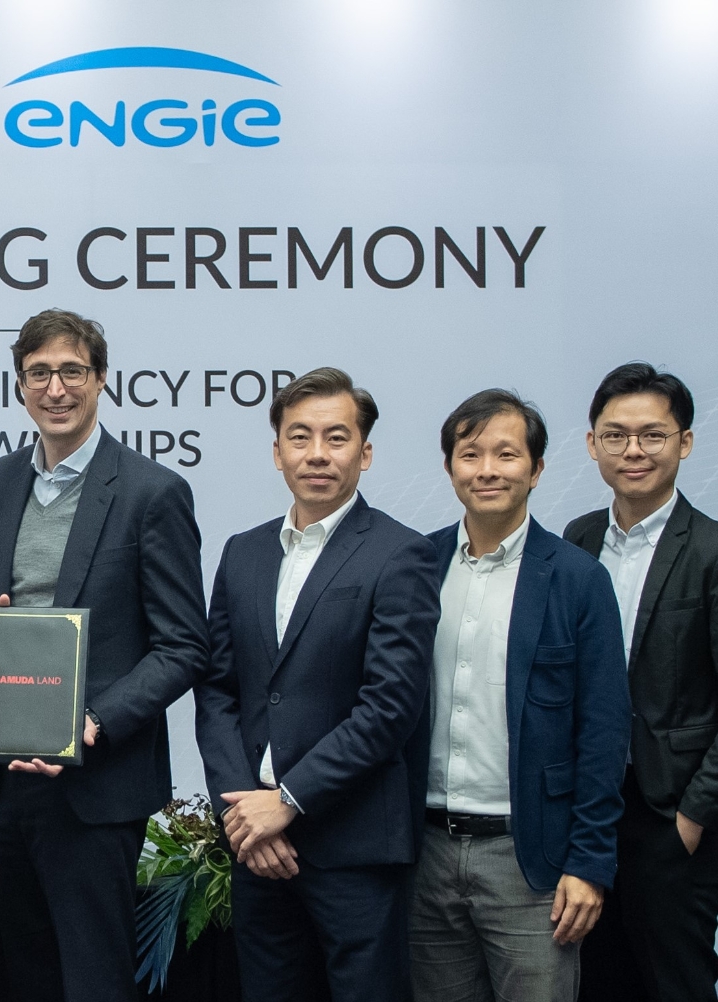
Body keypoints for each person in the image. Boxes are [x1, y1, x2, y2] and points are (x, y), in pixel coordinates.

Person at [0, 308, 208, 1002]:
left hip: (97, 781)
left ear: (102, 380)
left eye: (71, 372)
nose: (55, 388)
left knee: (94, 980)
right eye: (38, 374)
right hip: (9, 775)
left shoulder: (152, 492)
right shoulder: (1, 482)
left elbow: (183, 646)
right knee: (27, 972)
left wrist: (92, 723)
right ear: (19, 386)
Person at [194, 367, 441, 1002]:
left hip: (354, 847)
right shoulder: (242, 552)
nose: (317, 454)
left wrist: (290, 799)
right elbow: (219, 690)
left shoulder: (401, 553)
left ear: (365, 451)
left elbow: (391, 706)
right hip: (256, 844)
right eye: (299, 437)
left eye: (336, 437)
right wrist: (243, 810)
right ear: (277, 452)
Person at [410, 389, 630, 1001]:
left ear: (535, 470)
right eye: (470, 453)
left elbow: (604, 733)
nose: (486, 469)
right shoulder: (415, 565)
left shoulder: (577, 578)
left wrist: (589, 863)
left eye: (506, 454)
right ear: (450, 467)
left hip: (532, 863)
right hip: (425, 854)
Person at [567, 363, 718, 1001]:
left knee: (674, 984)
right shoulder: (577, 541)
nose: (634, 451)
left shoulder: (710, 550)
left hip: (670, 817)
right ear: (592, 443)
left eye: (653, 435)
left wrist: (693, 816)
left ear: (684, 442)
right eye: (616, 435)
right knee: (596, 983)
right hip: (586, 817)